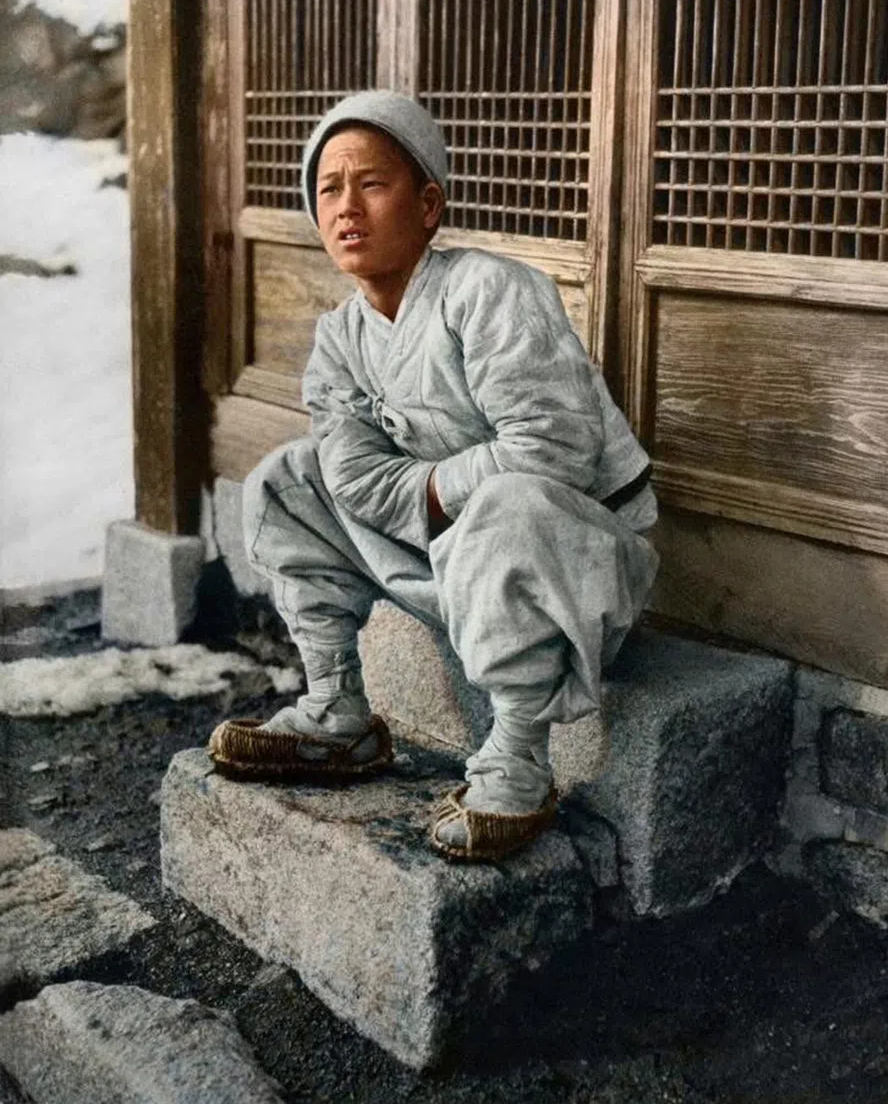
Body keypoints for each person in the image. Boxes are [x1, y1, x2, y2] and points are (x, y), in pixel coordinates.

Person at [208, 90, 659, 862]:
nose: (346, 207)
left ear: (427, 205)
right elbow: (351, 479)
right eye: (328, 189)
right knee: (286, 480)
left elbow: (552, 453)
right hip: (442, 553)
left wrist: (428, 490)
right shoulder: (340, 337)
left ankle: (519, 757)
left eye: (371, 184)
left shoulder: (492, 290)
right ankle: (337, 709)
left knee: (509, 501)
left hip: (573, 568)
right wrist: (437, 498)